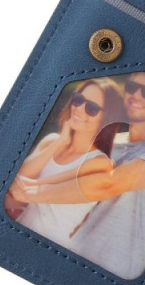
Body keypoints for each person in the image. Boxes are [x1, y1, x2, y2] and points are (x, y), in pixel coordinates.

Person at [12, 72, 145, 279]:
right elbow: (74, 180)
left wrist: (31, 192)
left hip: (117, 271)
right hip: (72, 255)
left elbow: (108, 184)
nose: (136, 95)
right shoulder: (108, 145)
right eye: (132, 87)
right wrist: (28, 186)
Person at [7, 78, 125, 250]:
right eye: (78, 100)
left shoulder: (99, 163)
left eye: (91, 108)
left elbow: (23, 188)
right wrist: (60, 142)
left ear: (106, 118)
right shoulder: (51, 142)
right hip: (15, 233)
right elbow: (13, 184)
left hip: (46, 247)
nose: (79, 108)